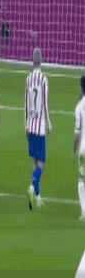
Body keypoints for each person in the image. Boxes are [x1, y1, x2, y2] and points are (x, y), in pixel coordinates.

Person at [26, 48, 52, 210]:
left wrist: (25, 124)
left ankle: (37, 196)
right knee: (41, 162)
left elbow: (26, 102)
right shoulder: (43, 79)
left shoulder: (28, 78)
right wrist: (49, 123)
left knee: (34, 161)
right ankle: (32, 186)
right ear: (41, 61)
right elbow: (44, 103)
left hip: (30, 125)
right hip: (40, 125)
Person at [74, 76, 85, 221]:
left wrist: (74, 149)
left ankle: (84, 211)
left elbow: (77, 134)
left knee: (82, 179)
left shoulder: (79, 107)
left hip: (83, 149)